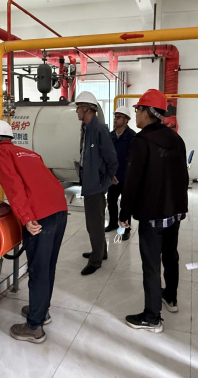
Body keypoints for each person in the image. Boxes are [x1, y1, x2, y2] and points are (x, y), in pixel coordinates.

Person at [0, 120, 68, 344]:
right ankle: (41, 310)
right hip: (59, 209)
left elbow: (14, 187)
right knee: (47, 265)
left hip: (40, 216)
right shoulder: (28, 153)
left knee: (38, 269)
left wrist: (26, 217)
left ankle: (34, 327)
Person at [118, 89, 189, 333]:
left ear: (147, 112)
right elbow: (183, 176)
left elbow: (132, 182)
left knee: (151, 263)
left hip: (153, 212)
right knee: (170, 255)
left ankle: (152, 317)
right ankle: (171, 297)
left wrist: (124, 213)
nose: (136, 114)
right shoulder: (176, 139)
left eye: (138, 110)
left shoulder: (142, 141)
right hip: (174, 211)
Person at [75, 91, 118, 276]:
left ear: (87, 109)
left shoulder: (99, 128)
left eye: (78, 108)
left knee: (93, 223)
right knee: (96, 221)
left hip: (95, 184)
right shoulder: (87, 128)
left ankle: (96, 261)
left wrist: (106, 180)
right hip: (90, 182)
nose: (77, 111)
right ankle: (101, 251)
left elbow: (111, 158)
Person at [105, 106, 136, 240]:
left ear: (126, 120)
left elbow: (133, 159)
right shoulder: (110, 136)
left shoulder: (132, 137)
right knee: (111, 201)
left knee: (126, 204)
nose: (115, 119)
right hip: (113, 176)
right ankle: (113, 223)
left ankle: (125, 228)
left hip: (127, 177)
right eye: (115, 117)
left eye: (119, 117)